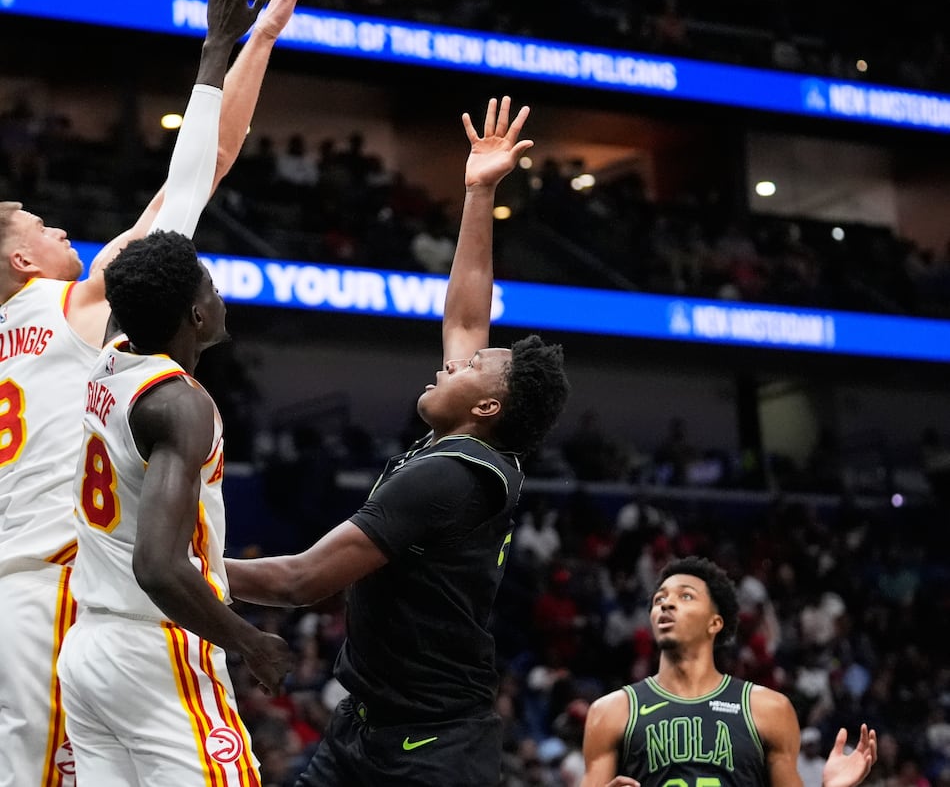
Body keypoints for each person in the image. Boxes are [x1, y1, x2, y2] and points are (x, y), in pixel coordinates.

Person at [0, 0, 327, 787]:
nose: (60, 229)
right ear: (21, 261)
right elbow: (200, 170)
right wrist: (245, 41)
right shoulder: (76, 308)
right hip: (65, 601)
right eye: (41, 226)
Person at [225, 96, 572, 787]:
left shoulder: (450, 477)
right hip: (367, 727)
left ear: (487, 405)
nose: (450, 364)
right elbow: (467, 317)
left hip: (430, 751)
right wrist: (479, 193)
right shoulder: (474, 442)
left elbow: (300, 580)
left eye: (468, 369)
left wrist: (180, 568)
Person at [57, 229, 291, 783]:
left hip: (88, 647)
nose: (220, 296)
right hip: (154, 646)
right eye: (211, 288)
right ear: (197, 316)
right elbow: (158, 566)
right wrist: (249, 642)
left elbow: (129, 280)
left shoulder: (111, 355)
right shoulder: (179, 405)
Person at [580, 555, 878, 787]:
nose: (666, 604)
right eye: (659, 599)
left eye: (685, 596)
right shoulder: (611, 711)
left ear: (715, 622)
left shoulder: (768, 709)